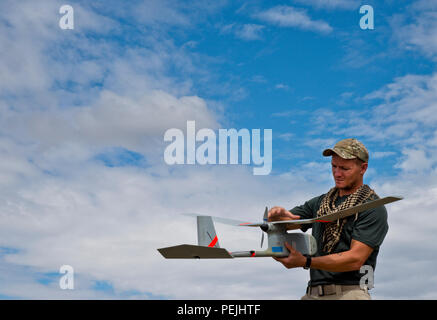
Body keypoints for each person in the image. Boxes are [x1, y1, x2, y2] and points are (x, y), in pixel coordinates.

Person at [268, 138, 388, 300]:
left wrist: (306, 261)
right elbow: (288, 223)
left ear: (363, 168)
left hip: (350, 293)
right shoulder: (320, 203)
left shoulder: (372, 208)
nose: (337, 173)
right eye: (334, 166)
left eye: (345, 168)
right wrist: (277, 217)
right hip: (313, 293)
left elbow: (354, 259)